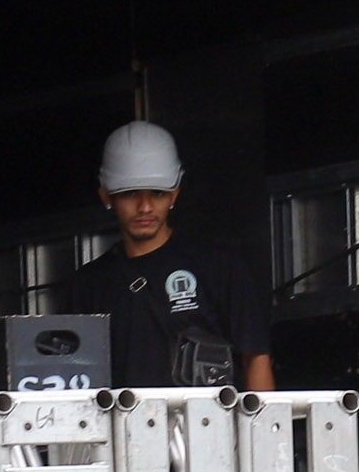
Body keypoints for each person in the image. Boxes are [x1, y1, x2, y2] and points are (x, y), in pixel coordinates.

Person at [71, 121, 276, 392]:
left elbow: (256, 358)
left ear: (174, 194)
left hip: (209, 429)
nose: (144, 207)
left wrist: (261, 432)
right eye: (130, 193)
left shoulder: (219, 266)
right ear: (106, 196)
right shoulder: (88, 285)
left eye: (157, 193)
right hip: (123, 431)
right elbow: (72, 378)